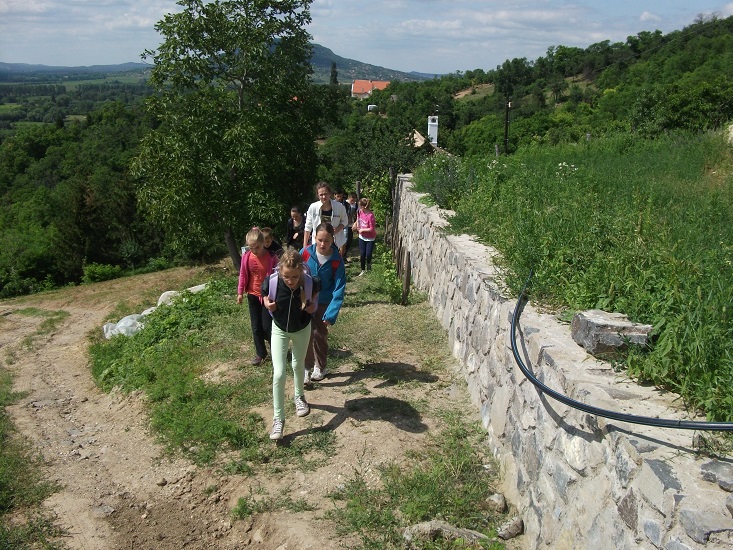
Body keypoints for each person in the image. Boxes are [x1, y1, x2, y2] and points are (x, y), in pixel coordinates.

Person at [262, 247, 321, 440]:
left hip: (302, 329)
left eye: (295, 277)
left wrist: (313, 304)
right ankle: (278, 419)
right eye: (286, 276)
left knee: (298, 365)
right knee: (279, 373)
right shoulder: (272, 281)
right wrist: (266, 303)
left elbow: (317, 292)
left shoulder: (310, 282)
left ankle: (299, 396)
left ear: (301, 271)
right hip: (279, 329)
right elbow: (263, 294)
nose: (290, 281)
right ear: (280, 270)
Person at [301, 223, 346, 383]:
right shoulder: (305, 253)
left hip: (324, 302)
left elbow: (339, 287)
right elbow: (293, 269)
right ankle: (305, 368)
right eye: (319, 240)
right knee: (305, 334)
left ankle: (320, 367)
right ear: (314, 238)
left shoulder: (336, 260)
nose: (322, 244)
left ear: (332, 240)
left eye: (326, 241)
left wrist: (331, 312)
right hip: (305, 301)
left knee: (319, 334)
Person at [237, 227, 278, 366]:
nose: (254, 250)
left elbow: (277, 275)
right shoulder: (246, 257)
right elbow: (243, 274)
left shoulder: (271, 257)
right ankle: (261, 353)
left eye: (257, 247)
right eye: (251, 248)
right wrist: (240, 293)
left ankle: (276, 350)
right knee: (256, 327)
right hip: (252, 295)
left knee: (267, 327)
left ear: (263, 243)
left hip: (267, 296)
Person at [303, 182, 348, 253]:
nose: (324, 197)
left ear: (330, 193)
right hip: (318, 243)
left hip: (334, 242)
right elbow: (308, 227)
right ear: (318, 195)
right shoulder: (313, 207)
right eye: (321, 195)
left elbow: (345, 221)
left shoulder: (339, 207)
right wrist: (304, 247)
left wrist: (337, 229)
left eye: (326, 194)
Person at [354, 197, 377, 276]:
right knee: (362, 254)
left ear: (363, 206)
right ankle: (363, 269)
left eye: (360, 206)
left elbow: (371, 229)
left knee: (368, 254)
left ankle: (369, 265)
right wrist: (356, 225)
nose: (359, 207)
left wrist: (362, 230)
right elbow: (358, 218)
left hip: (370, 237)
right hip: (362, 237)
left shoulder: (370, 216)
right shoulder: (360, 212)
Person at [342, 192, 358, 262]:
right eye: (352, 199)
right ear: (349, 198)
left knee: (349, 240)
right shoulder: (344, 203)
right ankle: (342, 256)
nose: (353, 201)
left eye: (354, 199)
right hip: (343, 225)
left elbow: (357, 214)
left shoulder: (356, 205)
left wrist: (355, 223)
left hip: (351, 224)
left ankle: (344, 254)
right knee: (344, 240)